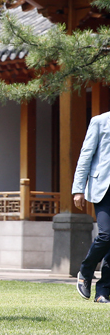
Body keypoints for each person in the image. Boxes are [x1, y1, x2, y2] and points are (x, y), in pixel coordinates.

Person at [72, 111, 110, 303]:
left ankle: (103, 292)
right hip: (103, 187)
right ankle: (86, 271)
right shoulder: (99, 121)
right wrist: (78, 189)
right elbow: (85, 156)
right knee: (107, 234)